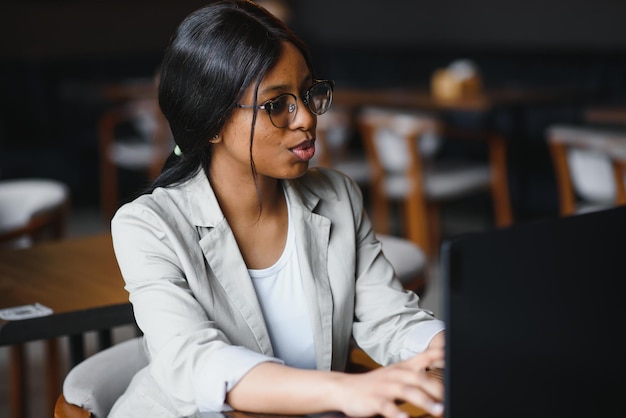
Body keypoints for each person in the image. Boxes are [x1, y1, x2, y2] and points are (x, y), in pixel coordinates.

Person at [109, 1, 445, 417]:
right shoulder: (148, 225)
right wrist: (342, 390)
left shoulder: (337, 195)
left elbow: (390, 318)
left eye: (306, 93)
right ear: (211, 120)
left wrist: (441, 343)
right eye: (275, 105)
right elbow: (197, 362)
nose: (305, 117)